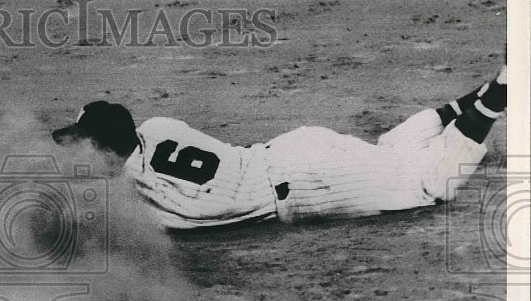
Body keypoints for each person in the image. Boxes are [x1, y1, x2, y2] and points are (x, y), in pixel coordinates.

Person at [52, 66, 507, 229]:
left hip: (308, 186)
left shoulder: (138, 193)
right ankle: (489, 88)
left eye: (86, 147)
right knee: (390, 151)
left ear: (108, 152)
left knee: (428, 185)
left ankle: (504, 89)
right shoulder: (158, 125)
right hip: (292, 150)